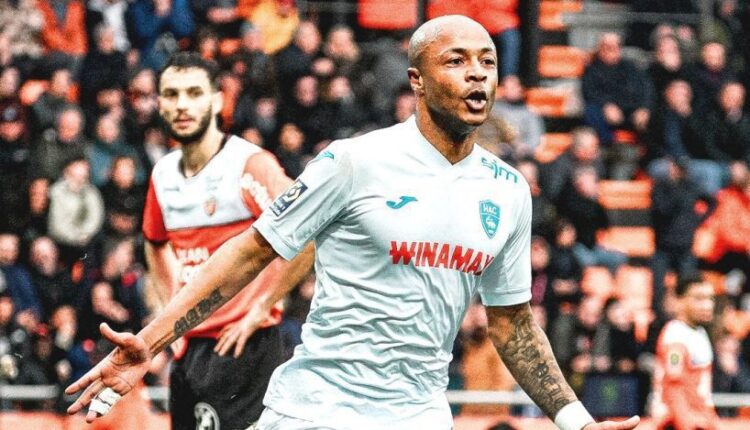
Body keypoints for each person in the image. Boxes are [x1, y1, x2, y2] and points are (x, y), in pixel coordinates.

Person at [65, 17, 639, 430]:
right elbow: (251, 251)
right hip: (317, 409)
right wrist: (151, 341)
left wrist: (576, 420)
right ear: (416, 80)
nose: (477, 75)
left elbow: (512, 323)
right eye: (456, 61)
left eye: (487, 61)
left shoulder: (508, 190)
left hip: (419, 415)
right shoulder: (354, 162)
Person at [143, 53, 312, 430]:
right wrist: (171, 315)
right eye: (171, 94)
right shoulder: (163, 174)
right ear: (160, 103)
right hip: (189, 348)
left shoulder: (248, 164)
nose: (182, 105)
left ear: (218, 100)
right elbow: (154, 243)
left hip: (242, 344)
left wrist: (263, 305)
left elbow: (308, 231)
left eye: (194, 93)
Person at [650, 276, 718, 430]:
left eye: (710, 299)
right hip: (676, 421)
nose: (707, 305)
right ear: (679, 301)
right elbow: (674, 387)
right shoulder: (675, 338)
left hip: (697, 419)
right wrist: (686, 425)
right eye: (699, 299)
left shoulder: (698, 332)